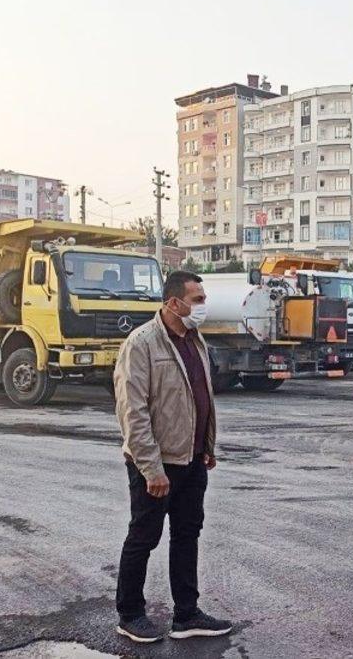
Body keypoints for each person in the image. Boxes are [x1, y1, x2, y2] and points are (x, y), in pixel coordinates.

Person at [112, 270, 232, 643]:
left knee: (186, 534)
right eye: (197, 300)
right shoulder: (142, 343)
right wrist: (151, 469)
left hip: (192, 460)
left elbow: (200, 396)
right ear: (173, 303)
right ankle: (130, 614)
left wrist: (206, 447)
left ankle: (187, 615)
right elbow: (133, 411)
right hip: (157, 464)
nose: (203, 306)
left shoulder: (195, 339)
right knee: (143, 537)